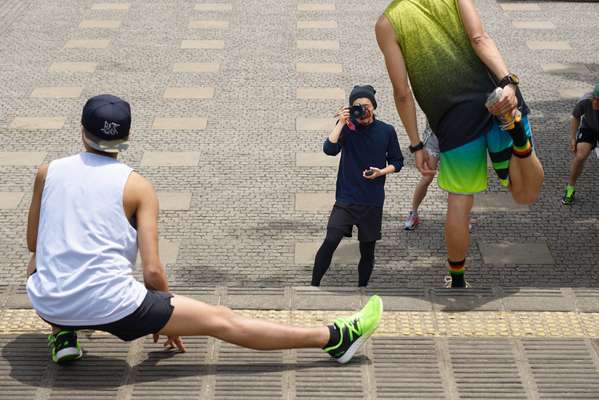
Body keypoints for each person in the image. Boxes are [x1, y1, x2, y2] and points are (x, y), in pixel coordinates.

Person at [25, 94, 383, 364]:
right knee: (221, 320)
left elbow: (33, 243)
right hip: (116, 307)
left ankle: (63, 336)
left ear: (82, 131)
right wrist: (168, 318)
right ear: (128, 137)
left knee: (42, 257)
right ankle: (334, 338)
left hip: (49, 304)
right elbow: (151, 270)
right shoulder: (136, 185)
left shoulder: (48, 171)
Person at [375, 0, 544, 287]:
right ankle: (517, 136)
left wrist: (417, 145)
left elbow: (402, 93)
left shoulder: (387, 24)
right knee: (525, 194)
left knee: (460, 201)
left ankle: (457, 279)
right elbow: (480, 38)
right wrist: (509, 83)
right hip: (498, 98)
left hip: (455, 123)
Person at [311, 85, 403, 287]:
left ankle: (362, 289)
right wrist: (341, 123)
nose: (362, 110)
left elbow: (398, 161)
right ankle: (313, 286)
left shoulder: (387, 131)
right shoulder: (346, 127)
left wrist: (381, 172)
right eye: (357, 107)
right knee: (331, 240)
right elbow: (329, 149)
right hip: (346, 199)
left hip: (372, 200)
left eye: (366, 105)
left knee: (367, 251)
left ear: (374, 106)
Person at [562, 83, 599, 205]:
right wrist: (573, 138)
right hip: (589, 127)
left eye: (598, 100)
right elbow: (575, 116)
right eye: (594, 98)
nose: (594, 102)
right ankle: (570, 188)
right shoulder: (585, 100)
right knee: (580, 156)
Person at [404, 123, 439, 230]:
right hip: (434, 138)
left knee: (458, 179)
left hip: (458, 139)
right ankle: (413, 213)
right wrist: (418, 147)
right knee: (427, 177)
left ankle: (462, 215)